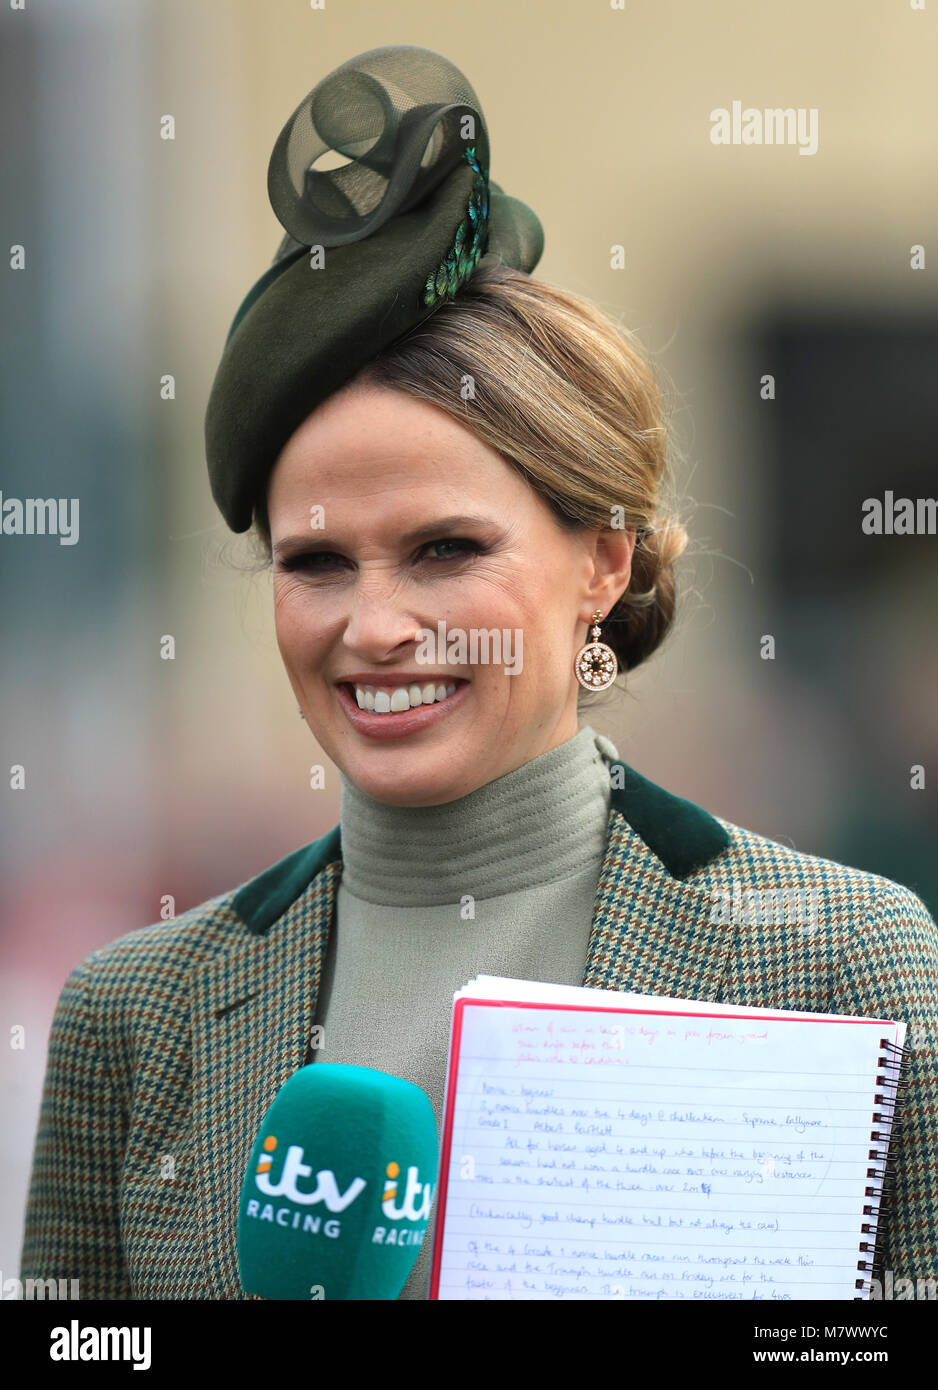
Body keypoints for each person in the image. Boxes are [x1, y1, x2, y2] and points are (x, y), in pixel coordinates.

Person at [20, 44, 938, 1301]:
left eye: (444, 549)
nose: (377, 624)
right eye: (318, 561)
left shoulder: (846, 962)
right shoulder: (133, 1014)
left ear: (600, 562)